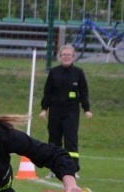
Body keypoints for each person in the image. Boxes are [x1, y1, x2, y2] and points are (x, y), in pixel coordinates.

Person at [39, 45, 92, 178]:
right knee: (54, 140)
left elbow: (84, 92)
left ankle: (72, 169)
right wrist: (44, 109)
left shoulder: (78, 73)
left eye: (69, 55)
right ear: (60, 56)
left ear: (73, 57)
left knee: (71, 140)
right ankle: (54, 168)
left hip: (71, 111)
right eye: (64, 55)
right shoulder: (54, 72)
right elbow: (47, 92)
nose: (66, 57)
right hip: (55, 110)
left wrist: (87, 109)